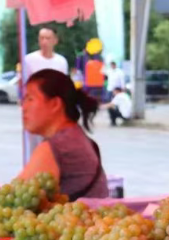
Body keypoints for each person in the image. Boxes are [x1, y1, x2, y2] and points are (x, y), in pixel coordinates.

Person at [19, 69, 108, 200]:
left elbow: (15, 198)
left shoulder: (54, 148)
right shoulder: (78, 137)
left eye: (30, 99)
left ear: (55, 104)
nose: (23, 107)